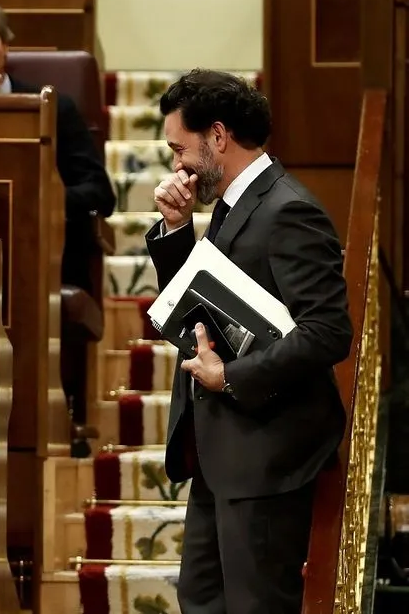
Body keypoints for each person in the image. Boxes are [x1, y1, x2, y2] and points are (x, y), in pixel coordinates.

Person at [145, 69, 352, 613]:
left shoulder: (290, 210)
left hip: (267, 458)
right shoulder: (234, 204)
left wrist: (229, 377)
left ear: (217, 137)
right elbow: (199, 312)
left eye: (179, 149)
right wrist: (175, 229)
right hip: (222, 454)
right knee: (203, 601)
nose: (177, 165)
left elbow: (329, 332)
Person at [0, 0, 115, 292]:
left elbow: (99, 193)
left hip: (44, 257)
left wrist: (34, 203)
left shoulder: (55, 109)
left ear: (5, 45)